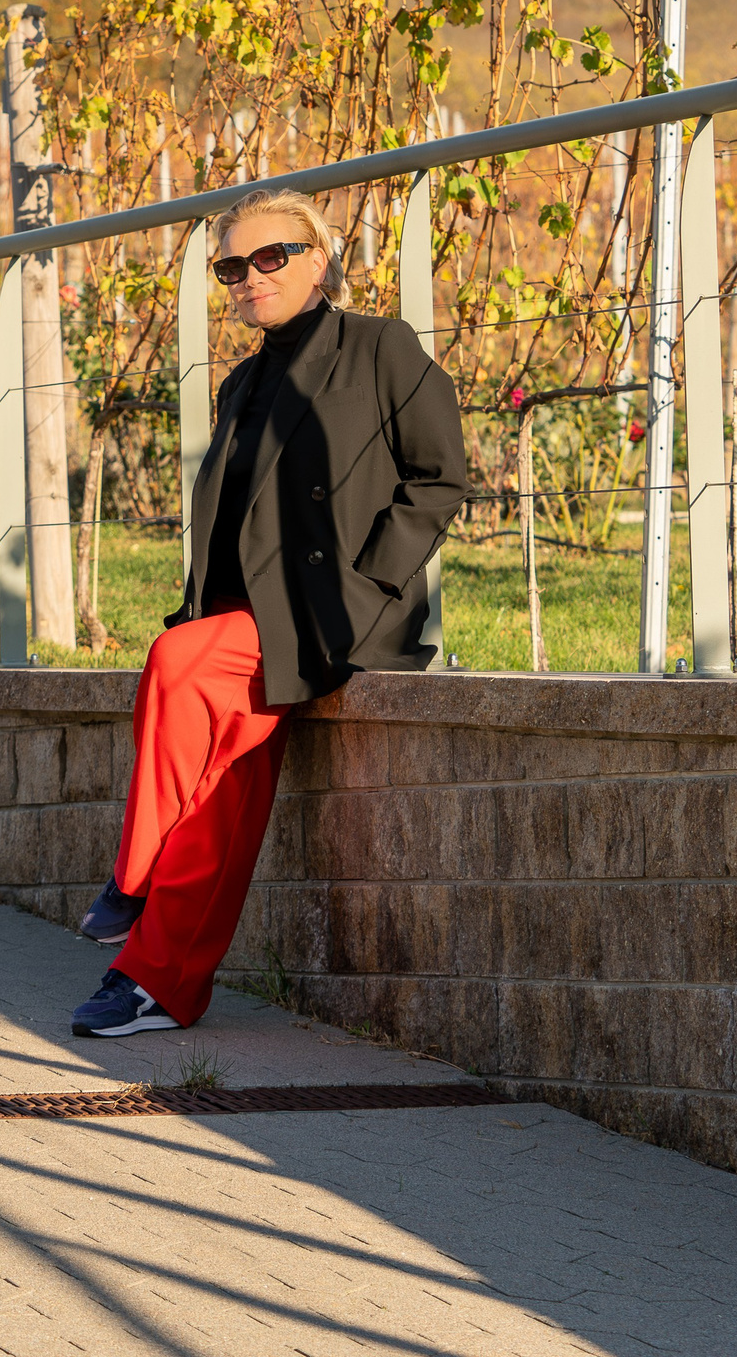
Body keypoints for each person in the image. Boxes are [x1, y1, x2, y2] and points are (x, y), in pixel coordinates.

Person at [69, 188, 469, 1039]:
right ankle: (154, 984)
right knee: (219, 786)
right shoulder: (243, 381)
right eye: (230, 268)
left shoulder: (378, 347)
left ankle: (133, 877)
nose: (249, 278)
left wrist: (367, 584)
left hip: (334, 613)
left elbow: (439, 477)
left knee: (175, 663)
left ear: (317, 259)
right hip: (249, 618)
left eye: (269, 257)